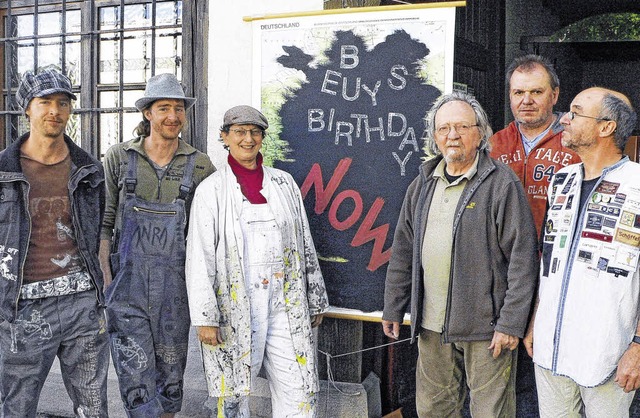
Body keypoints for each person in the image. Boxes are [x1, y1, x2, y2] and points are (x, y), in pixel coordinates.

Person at [382, 92, 539, 417]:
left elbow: (523, 261)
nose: (452, 135)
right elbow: (404, 250)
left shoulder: (502, 185)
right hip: (431, 325)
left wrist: (511, 323)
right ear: (435, 136)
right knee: (434, 410)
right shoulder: (423, 183)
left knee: (491, 413)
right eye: (444, 128)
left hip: (487, 329)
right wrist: (394, 307)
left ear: (480, 133)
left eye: (462, 127)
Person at [185, 105, 329, 417]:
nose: (248, 139)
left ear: (262, 137)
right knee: (233, 393)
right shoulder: (211, 191)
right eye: (239, 132)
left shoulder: (284, 184)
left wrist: (315, 298)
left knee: (300, 387)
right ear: (225, 137)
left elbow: (304, 240)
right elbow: (200, 256)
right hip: (234, 306)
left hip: (285, 303)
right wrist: (205, 317)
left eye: (254, 132)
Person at [99, 73, 215, 417]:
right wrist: (106, 279)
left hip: (175, 288)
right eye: (164, 107)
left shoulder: (200, 165)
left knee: (170, 376)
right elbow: (104, 223)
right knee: (135, 376)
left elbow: (205, 235)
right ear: (148, 113)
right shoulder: (120, 157)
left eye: (179, 108)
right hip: (127, 287)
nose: (173, 116)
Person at [524, 87, 640, 417]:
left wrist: (639, 347)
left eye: (575, 113)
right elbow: (550, 260)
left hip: (607, 353)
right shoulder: (561, 181)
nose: (563, 120)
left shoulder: (637, 185)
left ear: (606, 127)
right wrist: (536, 319)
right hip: (551, 348)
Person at [0, 68, 109, 417]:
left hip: (83, 305)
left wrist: (101, 288)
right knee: (16, 409)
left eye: (63, 102)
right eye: (44, 101)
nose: (55, 111)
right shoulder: (4, 171)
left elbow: (99, 231)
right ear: (27, 109)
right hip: (23, 306)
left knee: (93, 409)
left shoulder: (88, 169)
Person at [490, 54, 580, 236]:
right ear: (510, 96)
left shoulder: (576, 140)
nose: (527, 100)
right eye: (519, 93)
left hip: (556, 253)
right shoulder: (494, 144)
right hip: (505, 257)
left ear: (554, 95)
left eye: (536, 92)